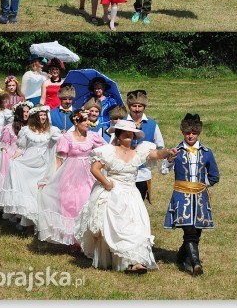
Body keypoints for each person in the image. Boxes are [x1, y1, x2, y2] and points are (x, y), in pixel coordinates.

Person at [75, 120, 176, 273]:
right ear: (119, 135)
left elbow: (155, 154)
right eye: (125, 133)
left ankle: (136, 261)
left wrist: (167, 151)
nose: (129, 135)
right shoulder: (109, 151)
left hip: (131, 193)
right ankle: (124, 261)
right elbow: (95, 169)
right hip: (114, 193)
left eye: (131, 133)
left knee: (137, 226)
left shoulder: (139, 151)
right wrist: (107, 183)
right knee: (119, 227)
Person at [37, 109, 106, 247]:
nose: (88, 122)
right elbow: (58, 160)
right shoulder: (67, 138)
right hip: (70, 174)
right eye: (85, 120)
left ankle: (87, 238)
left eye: (88, 120)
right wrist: (48, 179)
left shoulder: (93, 136)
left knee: (86, 202)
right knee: (70, 203)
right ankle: (73, 239)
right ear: (76, 121)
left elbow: (105, 151)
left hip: (88, 174)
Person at [164, 113, 220, 276]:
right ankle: (195, 264)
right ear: (183, 132)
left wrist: (201, 186)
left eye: (194, 133)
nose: (190, 136)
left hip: (200, 197)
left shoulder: (207, 152)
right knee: (188, 230)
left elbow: (214, 176)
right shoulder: (176, 151)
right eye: (188, 133)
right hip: (181, 196)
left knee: (196, 231)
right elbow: (163, 170)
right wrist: (169, 160)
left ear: (198, 133)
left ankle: (181, 257)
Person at [0, 105, 60, 230]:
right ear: (35, 117)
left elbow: (60, 142)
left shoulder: (52, 130)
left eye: (44, 115)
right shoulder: (26, 131)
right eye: (40, 115)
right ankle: (26, 220)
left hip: (44, 165)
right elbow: (21, 148)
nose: (43, 117)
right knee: (29, 190)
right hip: (28, 164)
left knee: (40, 192)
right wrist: (13, 159)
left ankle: (39, 222)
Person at [125, 89, 165, 203]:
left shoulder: (152, 124)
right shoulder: (122, 122)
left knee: (139, 201)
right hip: (125, 170)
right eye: (133, 106)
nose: (137, 109)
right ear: (129, 106)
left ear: (144, 107)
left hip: (143, 172)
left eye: (140, 106)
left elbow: (160, 145)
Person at [0, 101, 31, 205]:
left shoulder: (31, 127)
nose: (26, 114)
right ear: (19, 113)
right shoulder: (9, 128)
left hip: (26, 154)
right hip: (12, 154)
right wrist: (5, 156)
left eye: (28, 112)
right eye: (24, 112)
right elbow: (5, 144)